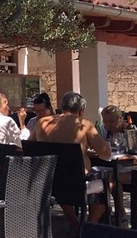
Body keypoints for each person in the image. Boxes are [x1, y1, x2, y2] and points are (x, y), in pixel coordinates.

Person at [29, 91, 111, 230]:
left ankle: (75, 222)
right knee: (110, 182)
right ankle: (89, 225)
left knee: (62, 183)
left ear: (61, 107)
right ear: (81, 110)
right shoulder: (84, 124)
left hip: (49, 181)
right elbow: (105, 152)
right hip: (77, 182)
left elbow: (29, 147)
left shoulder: (42, 122)